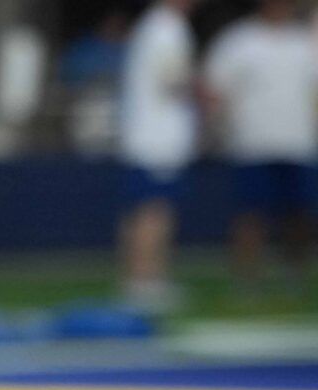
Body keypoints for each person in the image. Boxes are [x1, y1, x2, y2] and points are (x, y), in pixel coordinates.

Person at [202, 0, 318, 290]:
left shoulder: (305, 42)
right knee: (250, 214)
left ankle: (295, 275)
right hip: (252, 143)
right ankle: (247, 278)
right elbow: (214, 86)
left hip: (298, 143)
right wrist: (218, 126)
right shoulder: (238, 40)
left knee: (299, 215)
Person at [118, 0, 201, 311]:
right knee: (154, 212)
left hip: (150, 136)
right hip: (156, 139)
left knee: (148, 210)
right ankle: (145, 282)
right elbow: (172, 81)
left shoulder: (158, 25)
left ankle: (143, 279)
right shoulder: (166, 28)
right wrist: (202, 90)